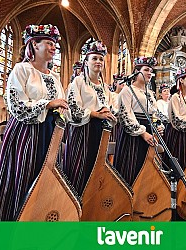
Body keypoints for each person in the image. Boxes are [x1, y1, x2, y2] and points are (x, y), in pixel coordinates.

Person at [0, 24, 68, 221]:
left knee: (49, 181)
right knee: (25, 179)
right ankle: (17, 229)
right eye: (49, 43)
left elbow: (62, 104)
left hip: (51, 133)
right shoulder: (21, 69)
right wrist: (49, 104)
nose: (53, 48)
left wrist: (61, 110)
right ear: (34, 44)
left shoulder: (55, 77)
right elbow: (16, 105)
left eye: (55, 45)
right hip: (27, 134)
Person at [64, 40, 117, 195]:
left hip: (100, 131)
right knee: (80, 169)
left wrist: (109, 113)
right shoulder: (78, 81)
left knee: (97, 168)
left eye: (101, 59)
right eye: (94, 58)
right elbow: (73, 109)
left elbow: (111, 107)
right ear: (86, 62)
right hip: (82, 131)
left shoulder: (104, 87)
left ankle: (92, 205)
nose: (98, 61)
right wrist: (95, 113)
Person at [113, 56, 164, 185]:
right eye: (146, 69)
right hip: (133, 136)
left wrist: (158, 126)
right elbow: (125, 116)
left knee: (147, 170)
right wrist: (142, 133)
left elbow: (155, 113)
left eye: (151, 71)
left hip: (149, 133)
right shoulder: (127, 90)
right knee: (132, 168)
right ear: (137, 72)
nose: (149, 73)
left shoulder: (150, 93)